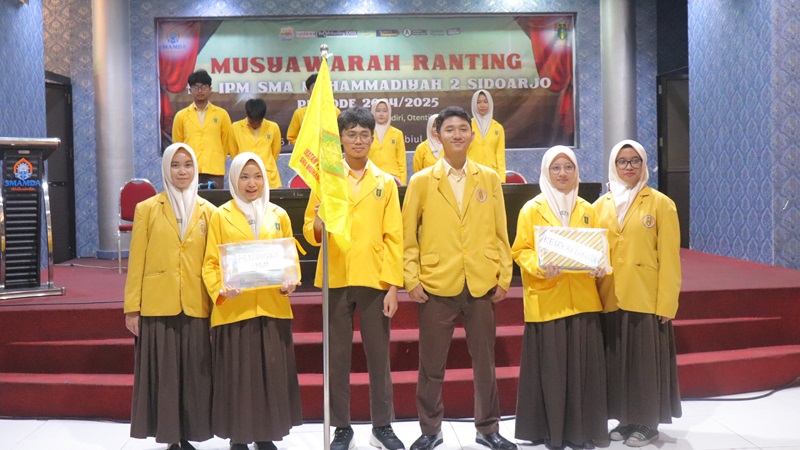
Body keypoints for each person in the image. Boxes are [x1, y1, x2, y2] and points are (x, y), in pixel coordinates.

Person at [402, 106, 516, 450]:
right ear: (437, 135)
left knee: (485, 363)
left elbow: (500, 231)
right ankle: (430, 430)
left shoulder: (489, 178)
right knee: (431, 365)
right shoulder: (422, 181)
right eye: (449, 129)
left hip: (481, 281)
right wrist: (411, 278)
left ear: (471, 134)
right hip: (437, 283)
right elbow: (408, 236)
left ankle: (488, 429)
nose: (456, 135)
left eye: (462, 129)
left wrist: (504, 275)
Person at [302, 106, 405, 450]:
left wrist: (393, 285)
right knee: (337, 358)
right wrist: (318, 221)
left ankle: (383, 426)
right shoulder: (326, 178)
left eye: (364, 134)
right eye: (351, 135)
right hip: (337, 276)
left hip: (375, 280)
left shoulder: (385, 182)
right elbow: (309, 230)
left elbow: (395, 236)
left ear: (372, 138)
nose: (358, 141)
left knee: (379, 358)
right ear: (341, 139)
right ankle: (341, 427)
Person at [202, 152, 302, 450]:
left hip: (272, 307)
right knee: (239, 377)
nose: (251, 183)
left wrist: (290, 283)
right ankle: (238, 436)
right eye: (244, 176)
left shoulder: (278, 215)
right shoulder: (221, 215)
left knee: (270, 377)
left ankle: (265, 435)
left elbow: (289, 260)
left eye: (257, 176)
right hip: (235, 309)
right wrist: (221, 288)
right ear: (234, 179)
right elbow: (209, 264)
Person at [511, 145, 608, 450]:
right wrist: (538, 266)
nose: (563, 173)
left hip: (583, 301)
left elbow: (598, 250)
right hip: (548, 301)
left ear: (576, 171)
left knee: (581, 373)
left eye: (568, 167)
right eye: (556, 168)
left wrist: (600, 267)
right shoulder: (531, 209)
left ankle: (581, 431)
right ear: (546, 172)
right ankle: (548, 432)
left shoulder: (587, 210)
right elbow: (520, 250)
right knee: (551, 373)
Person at [124, 143, 216, 450]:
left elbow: (215, 261)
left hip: (196, 301)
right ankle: (171, 437)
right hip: (157, 302)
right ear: (166, 168)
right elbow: (136, 260)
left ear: (196, 169)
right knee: (165, 375)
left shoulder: (210, 212)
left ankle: (189, 433)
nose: (182, 171)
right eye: (175, 165)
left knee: (194, 375)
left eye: (187, 165)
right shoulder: (147, 209)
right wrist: (132, 308)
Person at [593, 139, 682, 448]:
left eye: (634, 161)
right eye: (622, 162)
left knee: (643, 363)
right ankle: (625, 418)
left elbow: (670, 258)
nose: (628, 167)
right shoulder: (599, 205)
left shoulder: (660, 203)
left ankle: (647, 423)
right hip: (610, 295)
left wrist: (667, 302)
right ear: (613, 166)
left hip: (645, 295)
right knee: (617, 361)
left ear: (644, 165)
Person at [171, 69, 232, 188]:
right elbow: (177, 145)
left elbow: (226, 143)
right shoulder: (181, 116)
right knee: (190, 205)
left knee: (214, 205)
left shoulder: (221, 114)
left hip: (215, 169)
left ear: (210, 89)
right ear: (190, 90)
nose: (200, 90)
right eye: (196, 87)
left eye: (204, 87)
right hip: (189, 170)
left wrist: (216, 157)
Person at [229, 98, 283, 188]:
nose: (255, 124)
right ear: (247, 116)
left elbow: (275, 152)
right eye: (252, 121)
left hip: (269, 176)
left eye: (258, 122)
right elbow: (233, 152)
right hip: (244, 173)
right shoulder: (235, 127)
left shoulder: (273, 127)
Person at [286, 73, 341, 145]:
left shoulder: (335, 112)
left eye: (322, 87)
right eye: (315, 88)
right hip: (307, 154)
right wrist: (305, 147)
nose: (319, 91)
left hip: (329, 154)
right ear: (308, 91)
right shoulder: (299, 113)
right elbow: (292, 137)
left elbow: (341, 136)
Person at [467, 90, 506, 182]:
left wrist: (502, 180)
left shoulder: (498, 128)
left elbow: (500, 155)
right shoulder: (467, 126)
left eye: (485, 101)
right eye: (478, 102)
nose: (482, 105)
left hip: (491, 175)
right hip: (471, 174)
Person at [369, 98, 407, 184]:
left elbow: (401, 161)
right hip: (372, 177)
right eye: (378, 111)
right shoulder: (367, 133)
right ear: (373, 112)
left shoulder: (397, 133)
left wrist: (402, 183)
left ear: (389, 113)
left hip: (393, 179)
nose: (381, 114)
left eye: (385, 111)